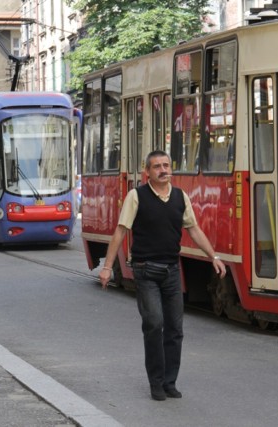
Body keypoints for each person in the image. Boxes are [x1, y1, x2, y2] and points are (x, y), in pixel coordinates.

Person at [99, 150, 226, 401]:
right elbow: (120, 232)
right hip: (145, 271)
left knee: (175, 329)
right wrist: (107, 266)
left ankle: (170, 382)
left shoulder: (180, 197)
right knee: (154, 324)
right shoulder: (136, 196)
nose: (163, 170)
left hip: (171, 272)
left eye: (166, 165)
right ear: (148, 172)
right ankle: (156, 382)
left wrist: (214, 256)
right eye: (157, 166)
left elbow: (195, 230)